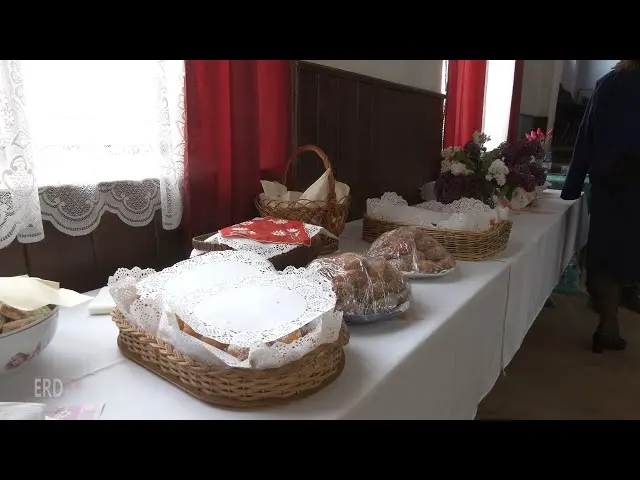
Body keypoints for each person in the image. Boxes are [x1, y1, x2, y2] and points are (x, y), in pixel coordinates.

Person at [561, 60, 640, 354]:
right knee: (627, 254)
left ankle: (607, 325)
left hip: (608, 183)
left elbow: (586, 137)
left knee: (605, 254)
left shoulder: (608, 84)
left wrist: (571, 187)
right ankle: (616, 315)